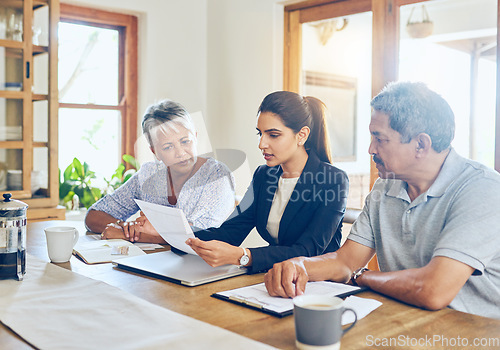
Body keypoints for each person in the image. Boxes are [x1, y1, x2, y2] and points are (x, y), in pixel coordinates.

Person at [264, 82, 500, 320]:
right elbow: (345, 261)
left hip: (473, 334)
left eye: (380, 139)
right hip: (403, 321)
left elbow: (432, 290)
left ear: (421, 144)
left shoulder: (482, 189)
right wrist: (299, 266)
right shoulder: (385, 186)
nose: (370, 149)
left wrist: (362, 276)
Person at [185, 91, 349, 273]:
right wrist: (173, 234)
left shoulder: (333, 180)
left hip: (317, 283)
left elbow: (307, 251)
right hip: (273, 278)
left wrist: (243, 256)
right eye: (260, 133)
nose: (261, 144)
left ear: (301, 135)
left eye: (273, 135)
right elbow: (230, 232)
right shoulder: (264, 175)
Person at [85, 99, 235, 243]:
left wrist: (129, 236)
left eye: (185, 141)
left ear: (195, 137)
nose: (180, 153)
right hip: (157, 265)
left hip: (210, 267)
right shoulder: (149, 174)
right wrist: (125, 227)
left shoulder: (217, 175)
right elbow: (93, 215)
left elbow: (198, 237)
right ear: (154, 152)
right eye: (168, 147)